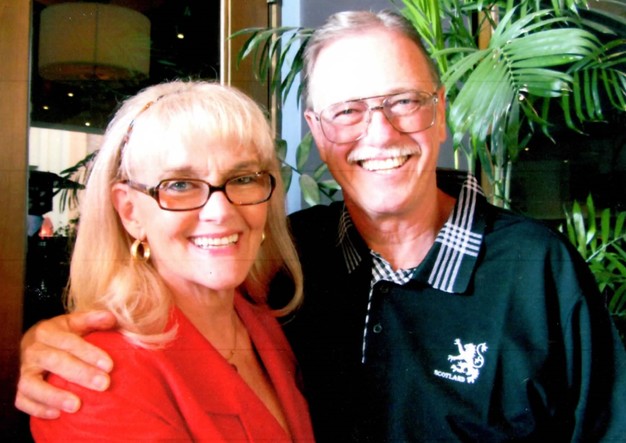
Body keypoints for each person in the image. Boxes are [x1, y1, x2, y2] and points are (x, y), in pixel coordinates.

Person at [17, 10, 626, 442]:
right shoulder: (291, 262)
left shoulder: (537, 269)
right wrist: (50, 342)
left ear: (439, 113)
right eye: (348, 111)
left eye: (403, 102)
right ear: (317, 131)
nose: (379, 133)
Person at [25, 80, 315, 441]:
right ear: (129, 211)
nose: (221, 212)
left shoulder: (262, 321)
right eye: (180, 185)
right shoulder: (95, 382)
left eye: (242, 178)